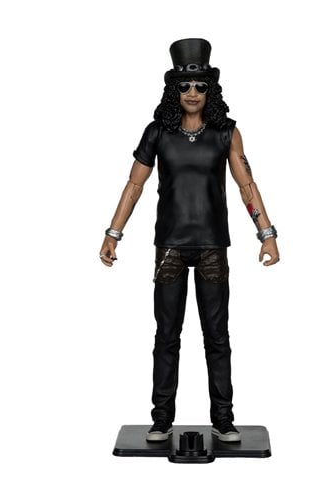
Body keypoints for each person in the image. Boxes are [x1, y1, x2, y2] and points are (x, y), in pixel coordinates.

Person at [100, 38, 279, 443]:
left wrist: (266, 234)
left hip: (213, 245)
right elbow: (133, 185)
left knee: (217, 336)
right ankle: (162, 418)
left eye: (200, 86)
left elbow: (246, 185)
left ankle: (224, 419)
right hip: (170, 247)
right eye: (185, 85)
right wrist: (113, 233)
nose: (193, 93)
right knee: (167, 335)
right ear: (173, 89)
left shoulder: (226, 133)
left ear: (210, 89)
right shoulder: (157, 133)